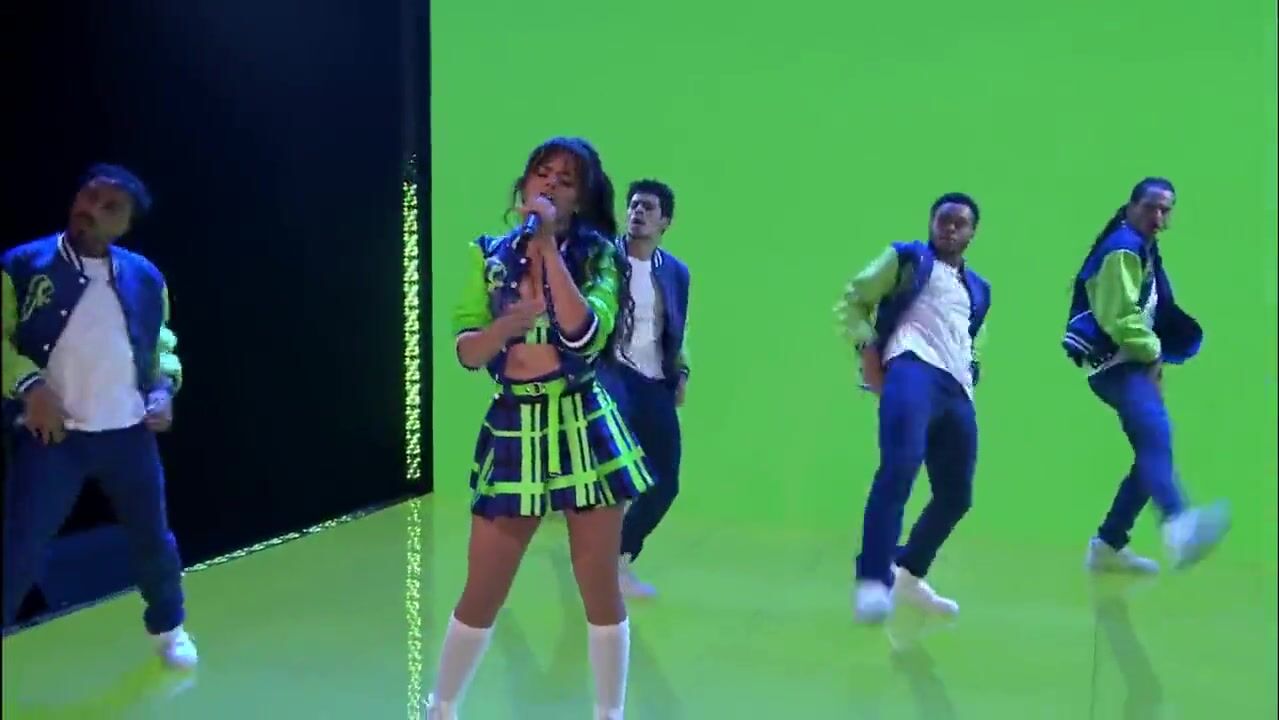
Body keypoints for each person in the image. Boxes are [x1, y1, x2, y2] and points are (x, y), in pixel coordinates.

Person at [426, 137, 657, 720]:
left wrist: (549, 249)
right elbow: (467, 351)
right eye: (542, 173)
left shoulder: (600, 256)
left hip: (581, 419)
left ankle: (608, 714)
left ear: (581, 199)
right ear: (525, 183)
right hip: (514, 422)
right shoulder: (488, 255)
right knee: (484, 586)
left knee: (597, 583)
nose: (550, 184)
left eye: (566, 180)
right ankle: (441, 708)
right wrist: (504, 328)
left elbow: (586, 334)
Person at [1, 164, 196, 668]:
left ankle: (169, 628)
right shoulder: (22, 266)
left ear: (125, 225)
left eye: (110, 207)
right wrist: (30, 387)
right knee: (20, 548)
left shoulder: (145, 276)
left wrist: (163, 388)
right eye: (89, 196)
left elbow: (161, 343)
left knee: (153, 538)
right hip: (54, 439)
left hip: (128, 433)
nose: (91, 209)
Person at [835, 192, 991, 625]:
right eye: (943, 220)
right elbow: (854, 299)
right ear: (931, 222)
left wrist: (971, 369)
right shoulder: (907, 258)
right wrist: (867, 350)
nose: (950, 228)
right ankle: (872, 579)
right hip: (911, 368)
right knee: (899, 467)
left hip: (957, 388)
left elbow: (970, 335)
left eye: (960, 223)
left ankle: (907, 573)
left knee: (956, 495)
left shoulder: (980, 288)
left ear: (973, 232)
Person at [1062, 177, 1229, 573]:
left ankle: (1108, 544)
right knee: (1157, 439)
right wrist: (1153, 353)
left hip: (1131, 361)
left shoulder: (1143, 248)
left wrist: (1153, 358)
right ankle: (1177, 524)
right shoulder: (1122, 248)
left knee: (1151, 452)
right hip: (1116, 362)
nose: (1158, 216)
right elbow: (1119, 317)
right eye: (1151, 207)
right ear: (1132, 206)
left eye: (1165, 210)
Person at [598, 179, 690, 599]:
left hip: (655, 382)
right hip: (611, 375)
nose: (637, 212)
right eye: (634, 205)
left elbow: (677, 329)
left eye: (648, 208)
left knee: (665, 482)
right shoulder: (602, 259)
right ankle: (601, 568)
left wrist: (681, 371)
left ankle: (617, 560)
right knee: (614, 478)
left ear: (665, 221)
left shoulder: (676, 272)